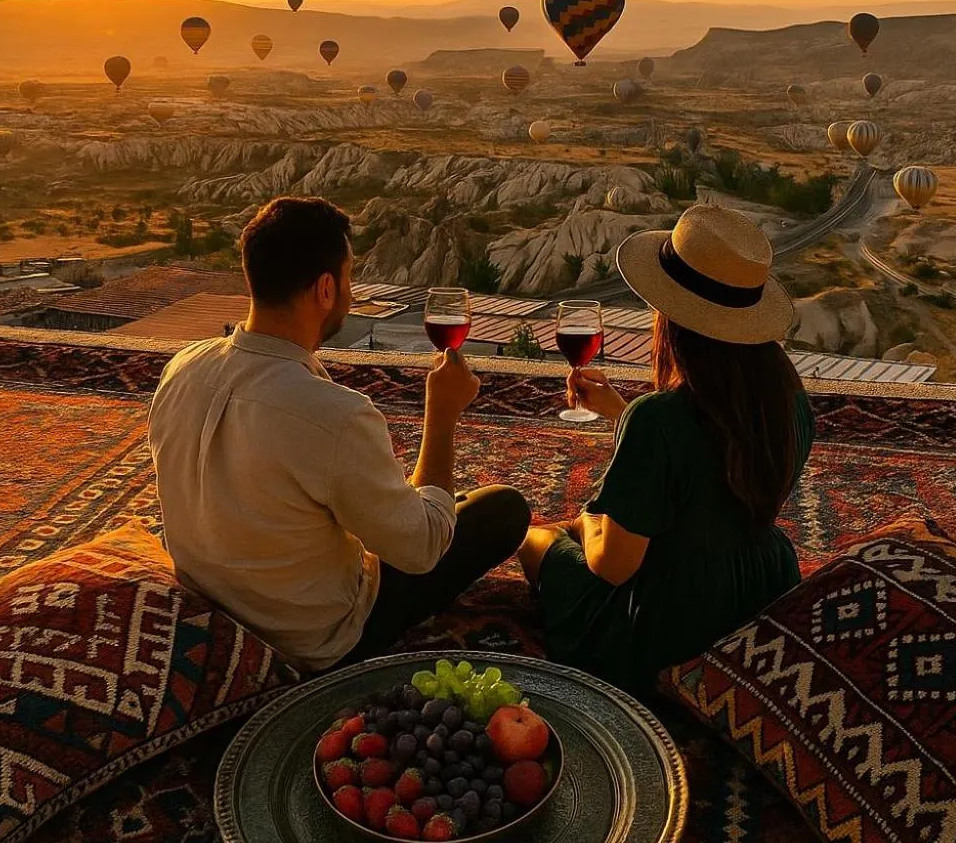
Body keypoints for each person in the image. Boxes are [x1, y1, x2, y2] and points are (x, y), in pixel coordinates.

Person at [148, 196, 530, 672]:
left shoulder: (183, 366)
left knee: (412, 503)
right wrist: (443, 412)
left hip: (214, 611)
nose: (351, 292)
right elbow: (422, 551)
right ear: (326, 288)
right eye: (350, 277)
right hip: (316, 640)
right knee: (500, 508)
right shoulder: (335, 416)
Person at [519, 206, 814, 698]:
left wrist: (587, 520)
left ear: (670, 314)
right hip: (762, 591)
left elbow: (612, 566)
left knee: (535, 538)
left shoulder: (659, 420)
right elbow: (714, 458)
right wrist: (623, 413)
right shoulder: (788, 401)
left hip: (671, 622)